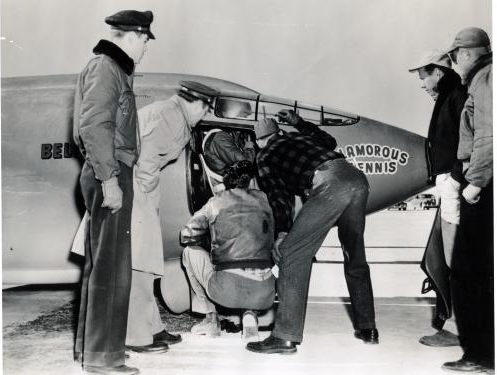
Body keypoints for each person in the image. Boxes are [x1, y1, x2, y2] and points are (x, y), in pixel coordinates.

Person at [246, 113, 377, 355]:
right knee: (354, 254)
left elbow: (278, 197)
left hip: (329, 183)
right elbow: (328, 140)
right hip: (357, 178)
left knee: (292, 254)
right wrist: (298, 122)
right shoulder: (299, 138)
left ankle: (285, 337)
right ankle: (367, 327)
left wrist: (283, 232)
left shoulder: (264, 156)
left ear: (258, 141)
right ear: (278, 132)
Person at [73, 9, 154, 375]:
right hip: (110, 172)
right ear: (133, 36)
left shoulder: (111, 69)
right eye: (145, 42)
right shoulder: (107, 68)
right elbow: (94, 125)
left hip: (110, 169)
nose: (145, 49)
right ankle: (103, 360)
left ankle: (91, 352)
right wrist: (109, 180)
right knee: (112, 269)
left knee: (101, 265)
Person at [126, 81, 219, 352]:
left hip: (139, 193)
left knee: (147, 266)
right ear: (197, 104)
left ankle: (152, 329)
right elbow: (145, 162)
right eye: (204, 110)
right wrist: (145, 200)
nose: (203, 116)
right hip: (135, 194)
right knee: (139, 267)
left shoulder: (170, 113)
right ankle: (137, 337)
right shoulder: (170, 117)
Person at [442, 27, 493, 373]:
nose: (454, 62)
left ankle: (478, 354)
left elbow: (489, 135)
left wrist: (474, 183)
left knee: (467, 270)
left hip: (483, 188)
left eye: (455, 55)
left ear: (466, 53)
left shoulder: (484, 80)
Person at [408, 49, 467, 347]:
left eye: (424, 77)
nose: (422, 84)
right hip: (450, 180)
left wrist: (455, 175)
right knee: (446, 252)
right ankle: (456, 325)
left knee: (454, 254)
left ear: (438, 72)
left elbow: (469, 138)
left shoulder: (456, 94)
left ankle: (460, 330)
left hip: (454, 181)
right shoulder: (451, 95)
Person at [180, 160, 276, 339]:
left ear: (226, 183)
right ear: (249, 181)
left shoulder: (217, 201)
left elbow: (187, 235)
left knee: (189, 252)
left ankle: (211, 319)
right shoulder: (264, 199)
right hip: (266, 292)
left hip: (228, 290)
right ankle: (250, 315)